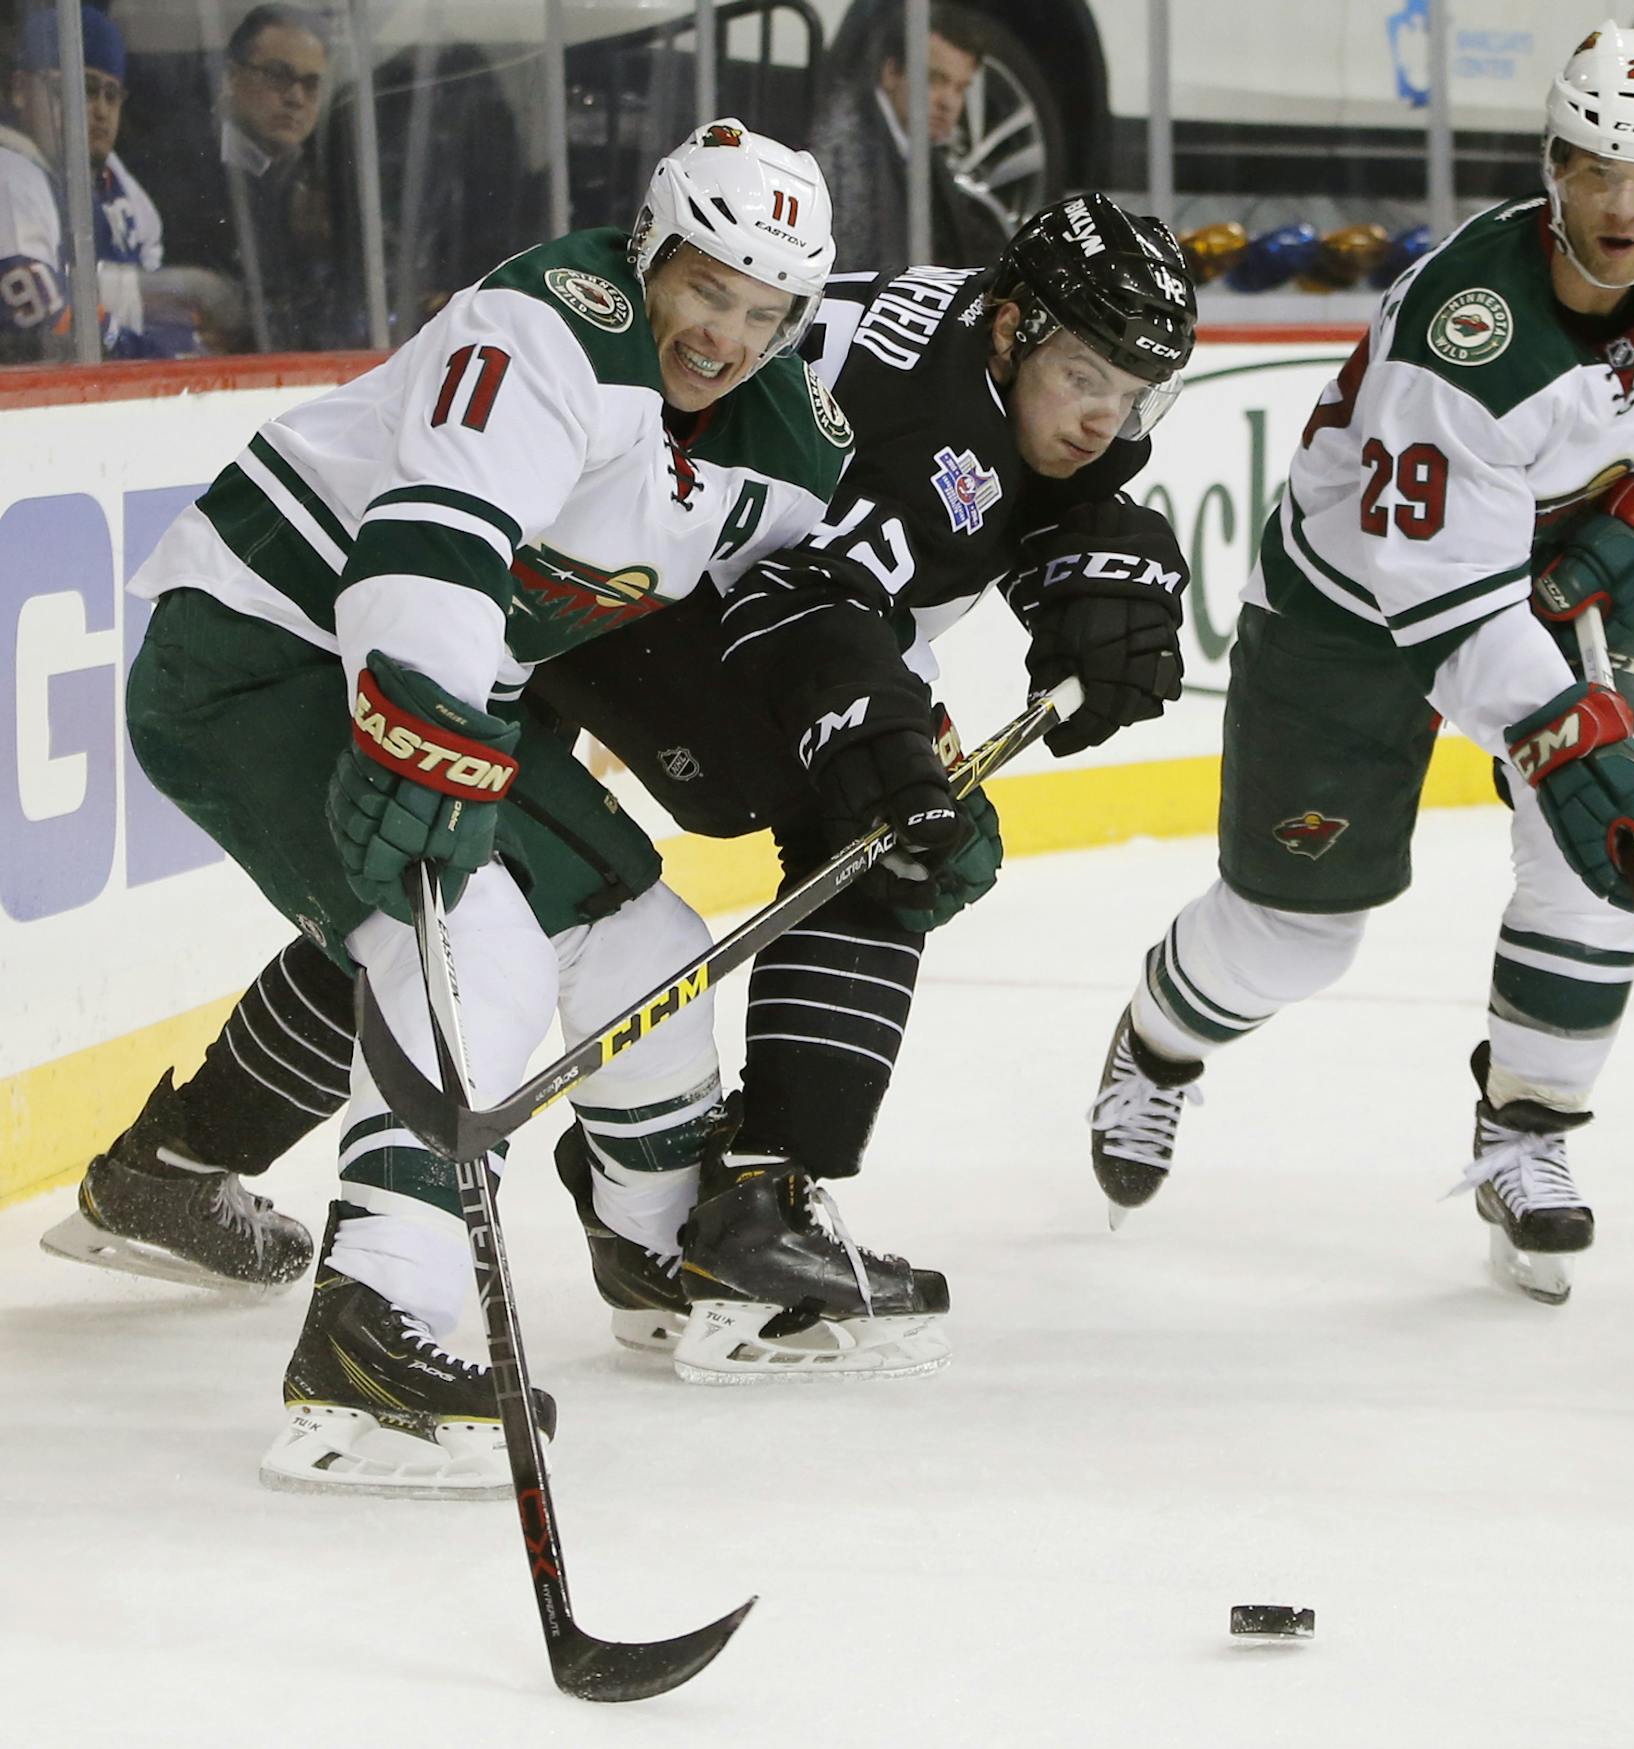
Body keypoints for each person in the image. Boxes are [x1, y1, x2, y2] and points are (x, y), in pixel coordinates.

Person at [49, 192, 1200, 1386]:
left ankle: (183, 1170)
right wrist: (894, 750)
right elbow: (810, 606)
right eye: (1086, 376)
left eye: (1138, 391)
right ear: (1012, 327)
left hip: (610, 581)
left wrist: (1106, 556)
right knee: (862, 829)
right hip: (633, 594)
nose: (1109, 416)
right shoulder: (907, 426)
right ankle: (747, 1213)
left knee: (496, 895)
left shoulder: (988, 351)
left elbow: (1030, 491)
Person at [87, 119, 851, 1496]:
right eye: (706, 288)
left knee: (645, 937)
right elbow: (432, 530)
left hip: (441, 694)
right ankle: (371, 1336)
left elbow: (827, 620)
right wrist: (426, 723)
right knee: (465, 949)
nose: (725, 335)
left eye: (763, 310)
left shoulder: (785, 439)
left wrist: (884, 748)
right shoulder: (553, 325)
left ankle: (662, 1247)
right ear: (648, 253)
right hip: (264, 643)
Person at [1083, 22, 1634, 1308]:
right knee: (1295, 937)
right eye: (1596, 166)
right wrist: (1563, 729)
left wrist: (1628, 545)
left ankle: (1527, 1137)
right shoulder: (1465, 340)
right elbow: (1449, 613)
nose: (1625, 205)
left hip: (1552, 563)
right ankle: (1158, 1046)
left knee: (1602, 855)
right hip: (1359, 603)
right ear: (1552, 161)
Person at [152, 4, 360, 352]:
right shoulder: (178, 167)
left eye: (311, 85)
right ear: (231, 77)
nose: (295, 97)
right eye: (278, 75)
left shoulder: (321, 180)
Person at [0, 5, 183, 360]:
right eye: (82, 88)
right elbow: (46, 325)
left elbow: (167, 312)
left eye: (111, 95)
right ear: (22, 89)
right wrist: (154, 356)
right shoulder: (9, 174)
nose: (100, 110)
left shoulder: (119, 182)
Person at [808, 0, 1009, 272]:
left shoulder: (911, 141)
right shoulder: (848, 150)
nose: (949, 103)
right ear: (891, 72)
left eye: (960, 88)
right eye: (935, 80)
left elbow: (968, 239)